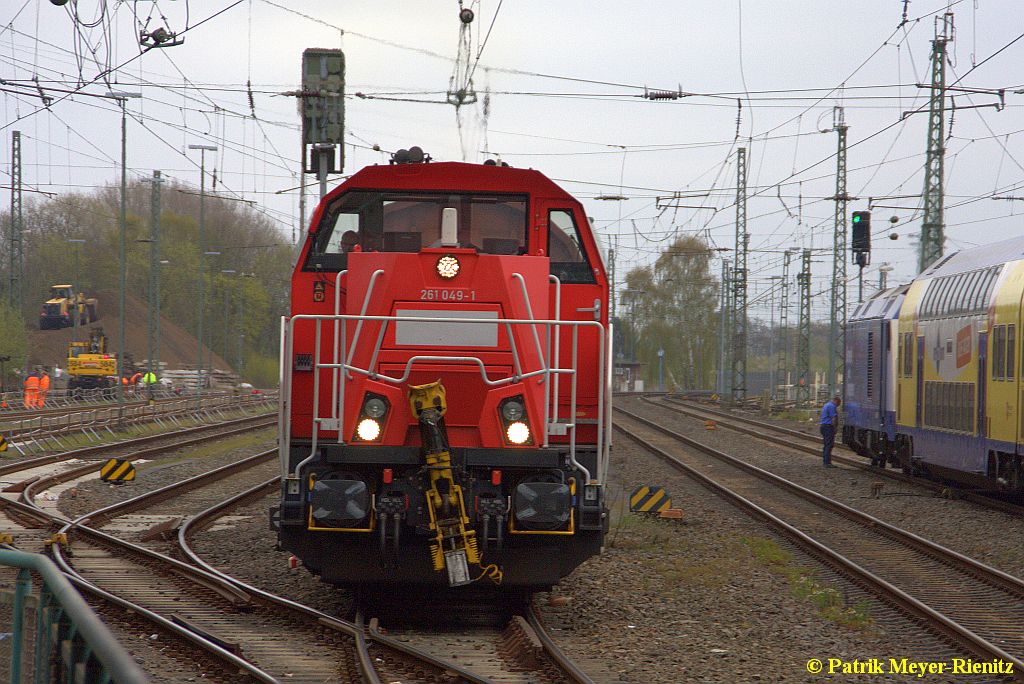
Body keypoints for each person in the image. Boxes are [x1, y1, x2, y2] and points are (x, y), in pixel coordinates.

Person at [819, 395, 841, 467]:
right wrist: (835, 428)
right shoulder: (832, 406)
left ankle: (826, 461)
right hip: (828, 427)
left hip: (823, 426)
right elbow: (834, 418)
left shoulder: (826, 405)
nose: (838, 405)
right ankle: (827, 463)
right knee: (829, 445)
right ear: (836, 401)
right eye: (838, 403)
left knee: (826, 445)